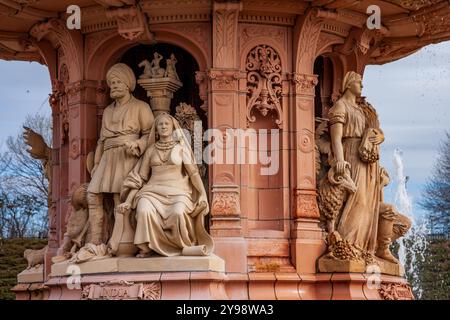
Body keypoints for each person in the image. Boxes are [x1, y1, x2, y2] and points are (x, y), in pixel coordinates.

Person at [118, 113, 213, 257]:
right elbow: (141, 178)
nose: (163, 126)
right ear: (156, 129)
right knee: (143, 210)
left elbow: (194, 174)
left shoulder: (181, 149)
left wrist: (203, 195)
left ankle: (182, 246)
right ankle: (146, 247)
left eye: (166, 124)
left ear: (173, 128)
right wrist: (128, 201)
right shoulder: (150, 150)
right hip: (151, 192)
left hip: (178, 192)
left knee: (178, 212)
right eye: (160, 124)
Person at [86, 63, 154, 251]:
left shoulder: (141, 107)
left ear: (127, 85)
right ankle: (95, 240)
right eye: (112, 83)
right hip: (107, 157)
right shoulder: (108, 111)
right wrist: (97, 163)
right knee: (92, 194)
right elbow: (101, 140)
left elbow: (150, 133)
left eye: (118, 82)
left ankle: (121, 242)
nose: (114, 86)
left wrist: (139, 144)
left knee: (120, 198)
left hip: (127, 157)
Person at [328, 71, 384, 254]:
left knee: (368, 201)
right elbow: (336, 138)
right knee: (357, 199)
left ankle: (360, 245)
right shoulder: (340, 106)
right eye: (359, 82)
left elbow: (375, 130)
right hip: (351, 153)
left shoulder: (360, 109)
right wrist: (340, 160)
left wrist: (379, 137)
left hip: (365, 156)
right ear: (349, 83)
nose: (362, 86)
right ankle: (347, 241)